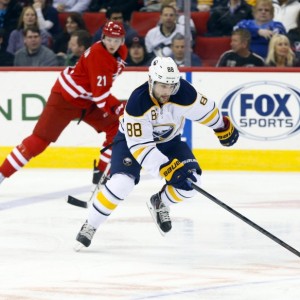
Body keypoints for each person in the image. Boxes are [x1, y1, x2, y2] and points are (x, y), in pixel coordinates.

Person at [74, 56, 239, 250]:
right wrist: (164, 167)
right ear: (151, 81)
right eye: (162, 86)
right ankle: (91, 225)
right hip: (130, 143)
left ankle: (160, 202)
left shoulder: (184, 93)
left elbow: (206, 110)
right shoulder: (137, 103)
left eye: (171, 86)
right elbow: (140, 146)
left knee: (192, 184)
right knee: (122, 183)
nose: (167, 91)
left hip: (170, 142)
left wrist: (221, 126)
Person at [0, 21, 127, 187]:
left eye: (116, 40)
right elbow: (101, 97)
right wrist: (120, 108)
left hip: (87, 101)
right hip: (65, 98)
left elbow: (99, 93)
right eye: (109, 39)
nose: (112, 44)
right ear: (103, 37)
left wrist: (119, 109)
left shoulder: (121, 52)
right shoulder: (98, 56)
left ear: (123, 41)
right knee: (39, 140)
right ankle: (2, 174)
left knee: (116, 128)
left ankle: (101, 173)